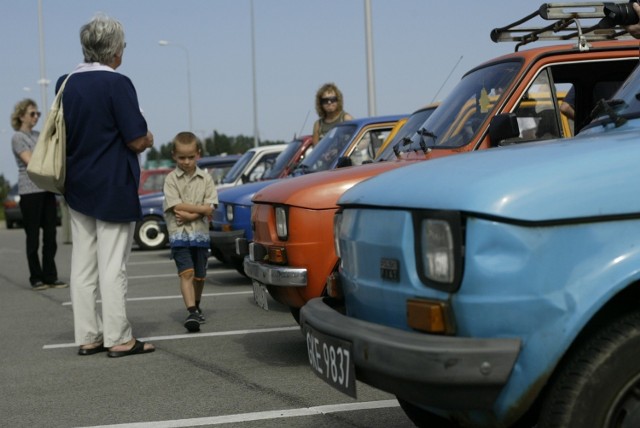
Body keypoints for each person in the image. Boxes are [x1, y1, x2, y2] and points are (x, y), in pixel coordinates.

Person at [57, 13, 155, 357]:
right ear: (115, 50)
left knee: (82, 266)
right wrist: (148, 138)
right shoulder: (117, 83)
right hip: (112, 183)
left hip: (76, 184)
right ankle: (118, 337)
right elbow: (135, 139)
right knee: (113, 266)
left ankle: (88, 335)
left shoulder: (65, 82)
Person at [10, 99, 68, 291]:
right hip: (30, 191)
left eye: (38, 114)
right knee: (33, 236)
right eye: (32, 114)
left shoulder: (39, 134)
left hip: (47, 189)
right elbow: (31, 160)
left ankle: (50, 275)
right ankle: (36, 277)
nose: (36, 117)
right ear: (21, 116)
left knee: (50, 235)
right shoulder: (18, 137)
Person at [163, 132, 218, 332]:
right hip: (179, 235)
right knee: (186, 272)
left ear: (198, 154)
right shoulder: (171, 179)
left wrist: (192, 215)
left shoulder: (206, 179)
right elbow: (176, 206)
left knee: (200, 276)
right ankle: (192, 311)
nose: (186, 162)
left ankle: (197, 303)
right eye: (181, 157)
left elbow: (210, 207)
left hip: (200, 234)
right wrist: (201, 210)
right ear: (174, 156)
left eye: (190, 157)